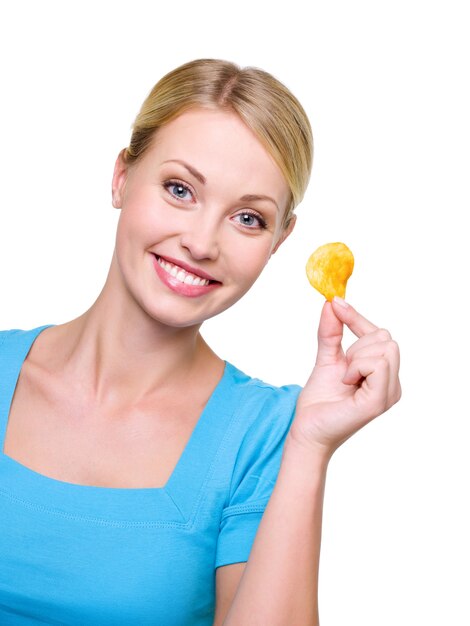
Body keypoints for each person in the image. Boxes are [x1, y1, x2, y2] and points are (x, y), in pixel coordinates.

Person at [0, 59, 401, 625]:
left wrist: (309, 448)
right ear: (121, 176)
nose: (201, 242)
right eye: (179, 189)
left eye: (247, 218)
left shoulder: (264, 436)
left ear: (279, 240)